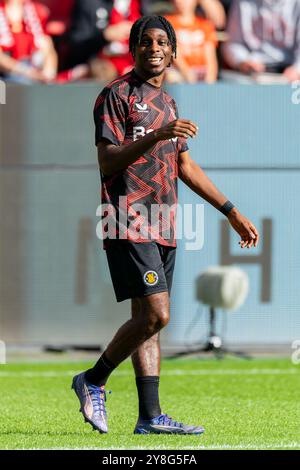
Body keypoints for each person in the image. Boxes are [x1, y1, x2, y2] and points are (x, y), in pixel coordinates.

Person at [71, 15, 260, 435]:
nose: (154, 48)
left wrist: (231, 210)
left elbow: (185, 166)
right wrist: (158, 135)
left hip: (164, 221)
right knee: (157, 315)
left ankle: (150, 417)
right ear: (133, 49)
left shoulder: (169, 104)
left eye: (162, 42)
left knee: (148, 319)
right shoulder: (115, 95)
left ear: (173, 54)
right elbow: (107, 162)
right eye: (145, 42)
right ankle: (94, 379)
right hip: (127, 216)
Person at [222, 0, 300, 82]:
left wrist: (297, 69)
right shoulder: (242, 2)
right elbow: (233, 43)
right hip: (251, 75)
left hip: (290, 73)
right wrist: (243, 61)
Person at [0, 0, 57, 83]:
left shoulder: (36, 11)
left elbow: (48, 49)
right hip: (8, 74)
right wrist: (26, 72)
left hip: (33, 68)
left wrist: (49, 73)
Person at [165, 0, 218, 83]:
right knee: (171, 77)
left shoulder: (205, 25)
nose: (183, 2)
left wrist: (210, 80)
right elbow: (174, 52)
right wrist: (186, 72)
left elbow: (210, 58)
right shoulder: (167, 23)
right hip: (178, 71)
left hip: (201, 71)